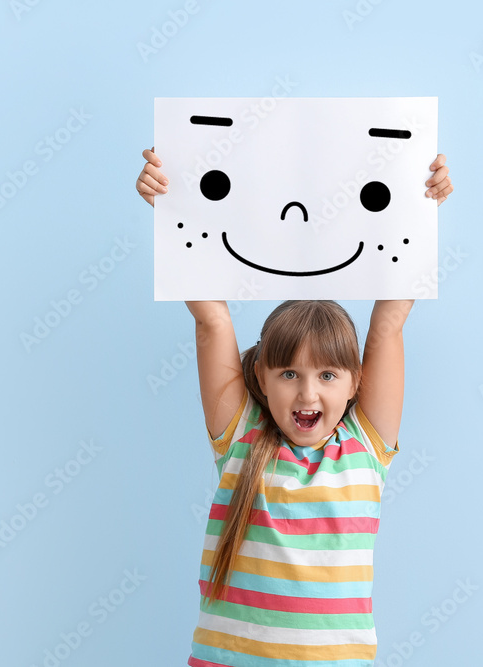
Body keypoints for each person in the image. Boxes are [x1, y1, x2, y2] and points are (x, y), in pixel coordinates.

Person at [137, 148, 453, 666]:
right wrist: (168, 207)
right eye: (290, 374)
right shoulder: (240, 440)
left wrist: (422, 209)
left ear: (357, 384)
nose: (308, 395)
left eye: (328, 375)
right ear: (261, 374)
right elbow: (211, 320)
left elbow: (391, 320)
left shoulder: (365, 448)